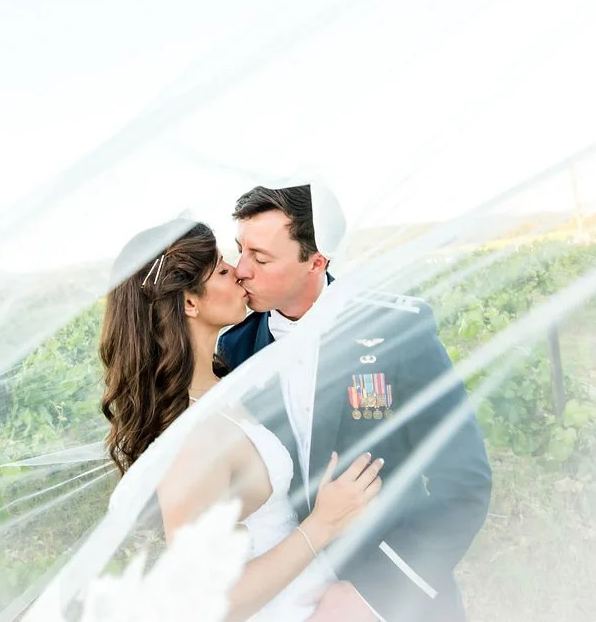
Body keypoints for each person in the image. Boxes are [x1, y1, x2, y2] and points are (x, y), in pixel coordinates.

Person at [217, 185, 493, 621]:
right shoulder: (234, 349)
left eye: (261, 257)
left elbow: (464, 482)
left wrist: (373, 594)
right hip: (284, 599)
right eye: (239, 251)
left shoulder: (398, 329)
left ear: (316, 261)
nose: (240, 270)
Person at [99, 219, 380, 622]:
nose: (240, 272)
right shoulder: (190, 438)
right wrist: (322, 524)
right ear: (190, 303)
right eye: (222, 269)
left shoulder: (228, 379)